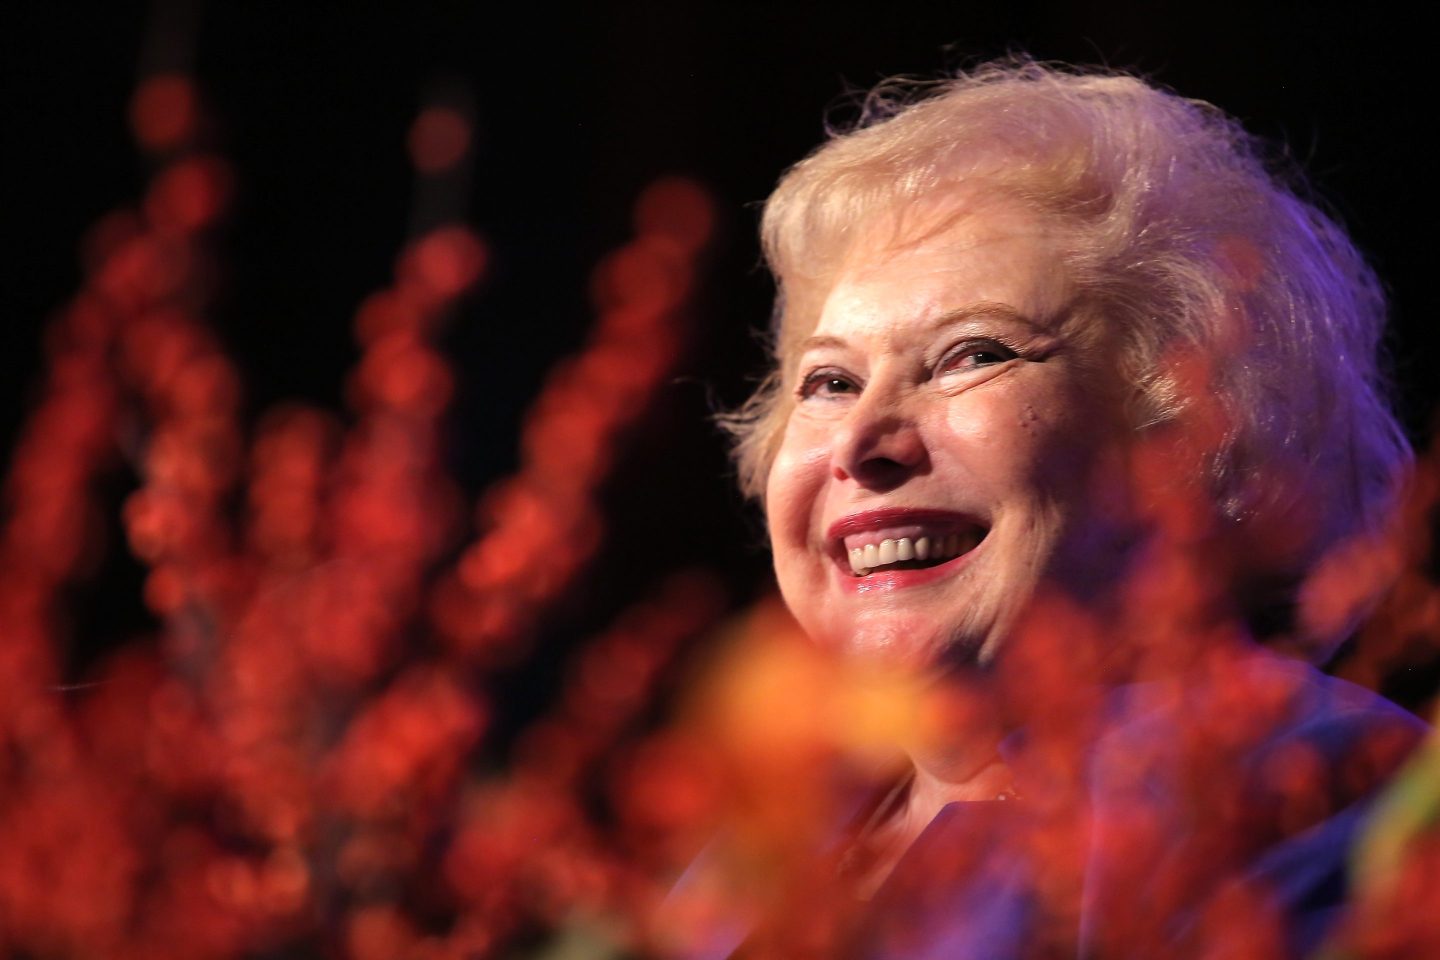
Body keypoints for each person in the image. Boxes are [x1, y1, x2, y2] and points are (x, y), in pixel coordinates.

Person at [669, 60, 1428, 959]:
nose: (859, 442)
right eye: (830, 381)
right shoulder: (745, 857)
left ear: (1189, 433)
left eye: (970, 354)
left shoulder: (1295, 778)